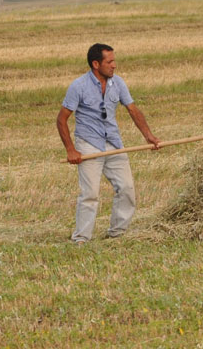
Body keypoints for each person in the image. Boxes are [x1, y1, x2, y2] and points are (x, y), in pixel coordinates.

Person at [56, 43, 161, 244]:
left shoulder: (118, 83)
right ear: (96, 64)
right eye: (109, 61)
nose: (114, 65)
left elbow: (133, 110)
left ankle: (117, 234)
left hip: (113, 142)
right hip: (88, 143)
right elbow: (61, 119)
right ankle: (81, 239)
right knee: (90, 194)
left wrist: (149, 136)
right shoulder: (78, 86)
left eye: (114, 61)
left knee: (127, 188)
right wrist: (71, 149)